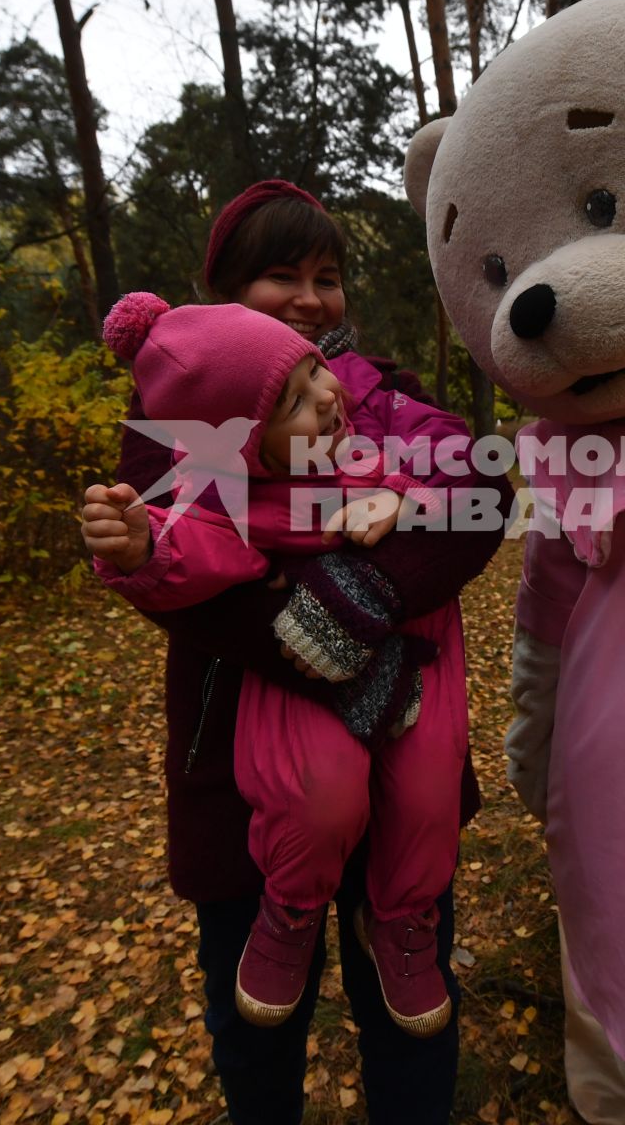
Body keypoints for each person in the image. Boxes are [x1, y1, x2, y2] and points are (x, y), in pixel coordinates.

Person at [89, 180, 510, 1124]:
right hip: (241, 764)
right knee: (257, 1012)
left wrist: (367, 586)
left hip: (405, 745)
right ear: (222, 289)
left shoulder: (382, 396)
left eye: (329, 276)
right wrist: (327, 630)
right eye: (281, 276)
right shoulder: (175, 416)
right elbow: (187, 572)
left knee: (403, 985)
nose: (313, 299)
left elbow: (482, 493)